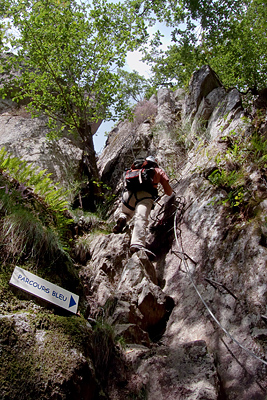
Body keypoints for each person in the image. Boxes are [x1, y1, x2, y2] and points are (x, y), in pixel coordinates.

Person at [113, 156, 173, 257]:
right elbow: (168, 192)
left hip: (128, 196)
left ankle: (122, 218)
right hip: (145, 196)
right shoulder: (157, 170)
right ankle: (137, 244)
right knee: (140, 218)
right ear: (155, 163)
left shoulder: (134, 169)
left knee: (126, 212)